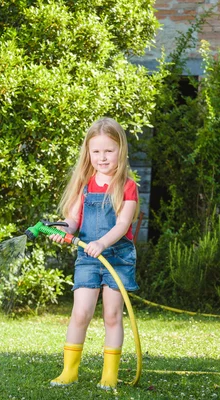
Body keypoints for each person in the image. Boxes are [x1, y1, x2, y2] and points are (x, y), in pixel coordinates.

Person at [49, 117, 139, 390]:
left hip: (118, 257)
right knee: (80, 313)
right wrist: (62, 230)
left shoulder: (127, 185)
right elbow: (73, 220)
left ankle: (109, 375)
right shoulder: (85, 184)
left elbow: (123, 225)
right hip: (88, 258)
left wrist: (101, 243)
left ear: (120, 151)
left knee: (112, 315)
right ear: (88, 152)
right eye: (96, 151)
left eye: (109, 151)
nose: (102, 157)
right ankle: (69, 371)